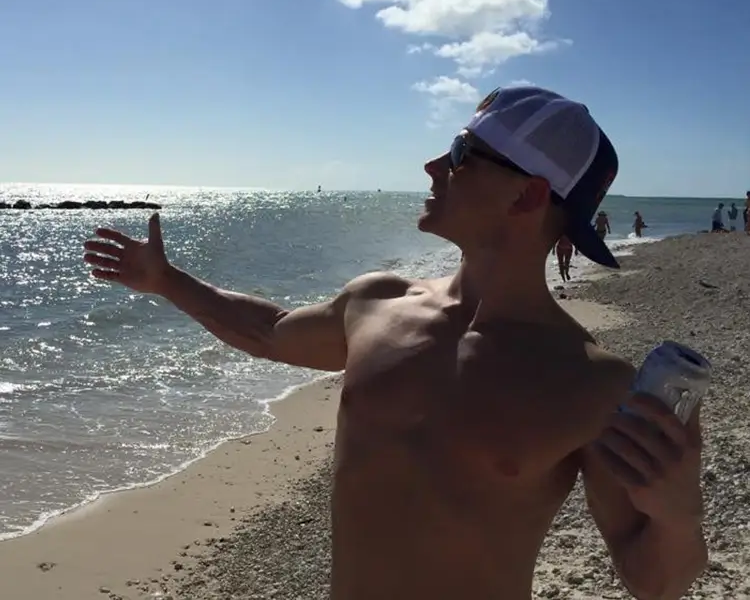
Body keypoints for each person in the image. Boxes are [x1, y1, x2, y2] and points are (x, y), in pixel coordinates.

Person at [83, 86, 707, 600]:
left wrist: (677, 513)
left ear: (528, 193)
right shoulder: (376, 303)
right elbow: (270, 331)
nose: (435, 167)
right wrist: (168, 282)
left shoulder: (592, 384)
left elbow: (654, 582)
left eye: (463, 153)